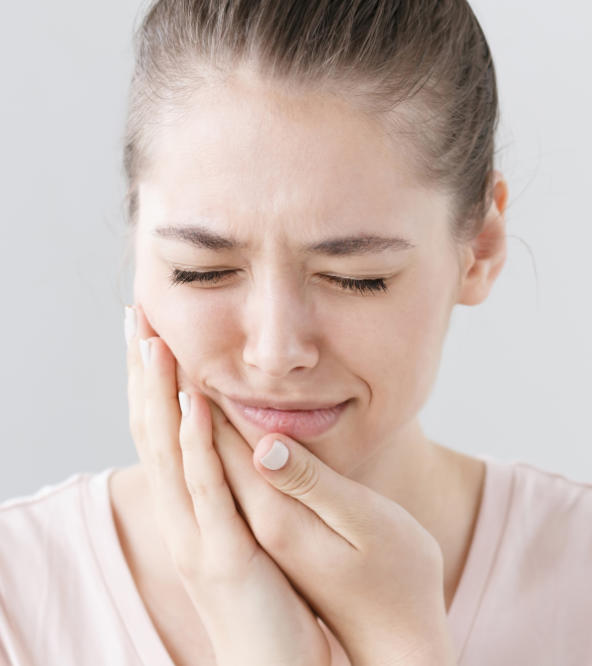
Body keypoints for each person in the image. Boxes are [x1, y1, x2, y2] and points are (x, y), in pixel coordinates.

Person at [1, 1, 591, 664]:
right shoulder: (16, 603)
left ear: (479, 249)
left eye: (357, 277)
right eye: (204, 271)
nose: (276, 352)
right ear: (139, 249)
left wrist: (403, 644)